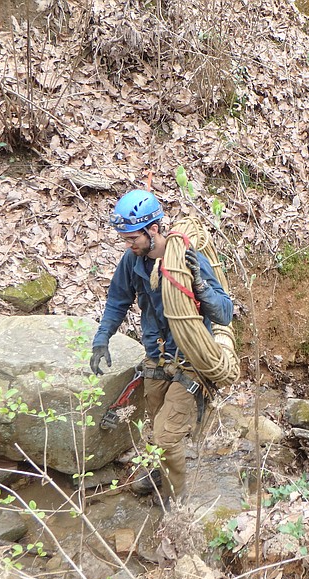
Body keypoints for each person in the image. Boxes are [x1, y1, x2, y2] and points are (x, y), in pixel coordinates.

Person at [90, 189, 233, 503]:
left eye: (132, 238)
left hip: (191, 361)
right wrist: (102, 338)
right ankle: (159, 473)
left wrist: (200, 286)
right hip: (157, 356)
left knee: (166, 437)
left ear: (152, 229)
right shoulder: (133, 260)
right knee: (155, 426)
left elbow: (224, 312)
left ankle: (176, 501)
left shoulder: (187, 259)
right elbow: (117, 300)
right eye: (125, 239)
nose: (128, 245)